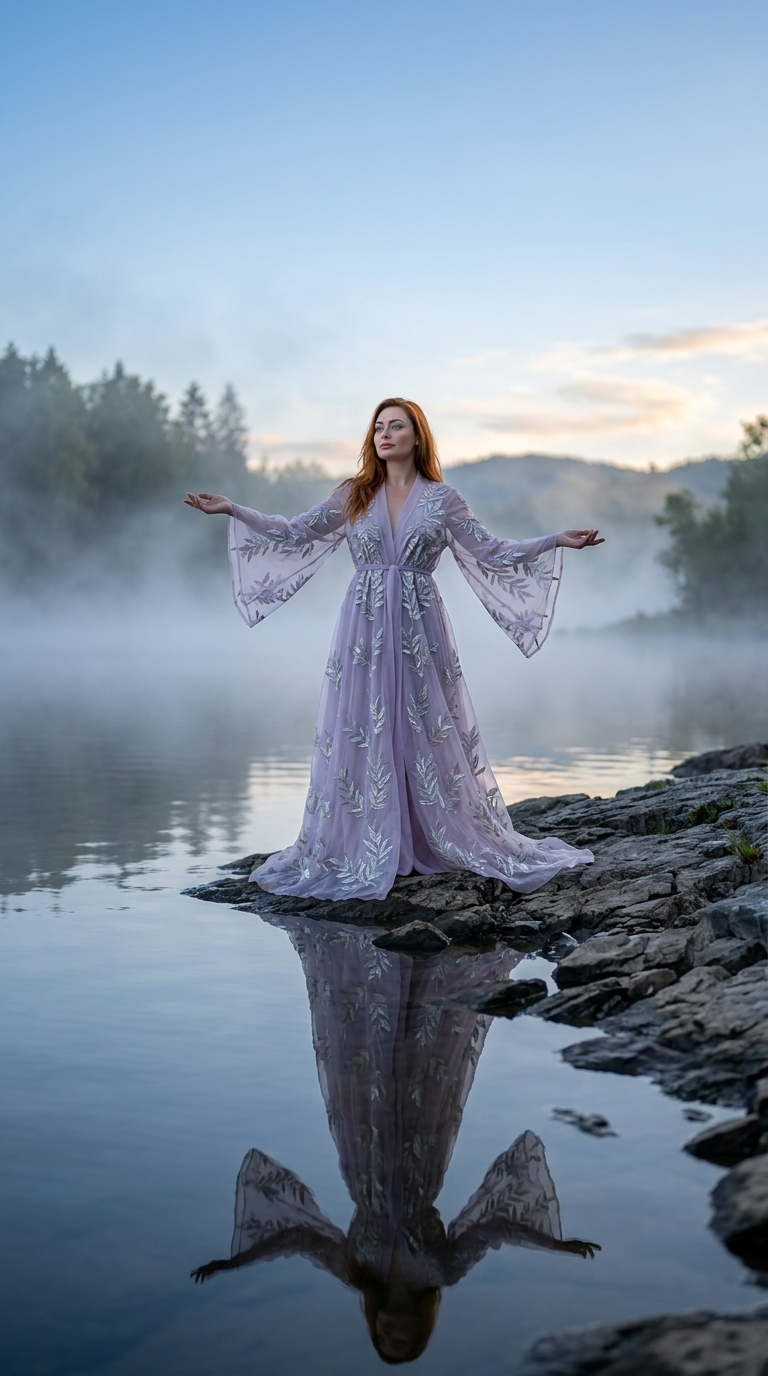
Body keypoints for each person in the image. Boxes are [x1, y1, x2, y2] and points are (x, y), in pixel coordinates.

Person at [185, 397, 603, 901]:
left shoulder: (443, 500)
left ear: (417, 436)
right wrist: (234, 509)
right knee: (365, 721)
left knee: (421, 721)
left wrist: (555, 540)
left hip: (419, 625)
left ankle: (426, 835)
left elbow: (491, 550)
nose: (384, 434)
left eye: (396, 426)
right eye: (379, 427)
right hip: (363, 625)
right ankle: (370, 838)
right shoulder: (354, 493)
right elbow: (295, 531)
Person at [190, 914, 600, 1364]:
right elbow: (492, 1230)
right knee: (426, 1072)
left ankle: (387, 980)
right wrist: (553, 1243)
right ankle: (423, 982)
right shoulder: (441, 1272)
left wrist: (236, 1262)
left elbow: (300, 1239)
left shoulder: (356, 1273)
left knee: (365, 1072)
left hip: (362, 1159)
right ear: (417, 1330)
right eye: (398, 1340)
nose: (390, 1331)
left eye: (383, 1337)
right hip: (421, 1164)